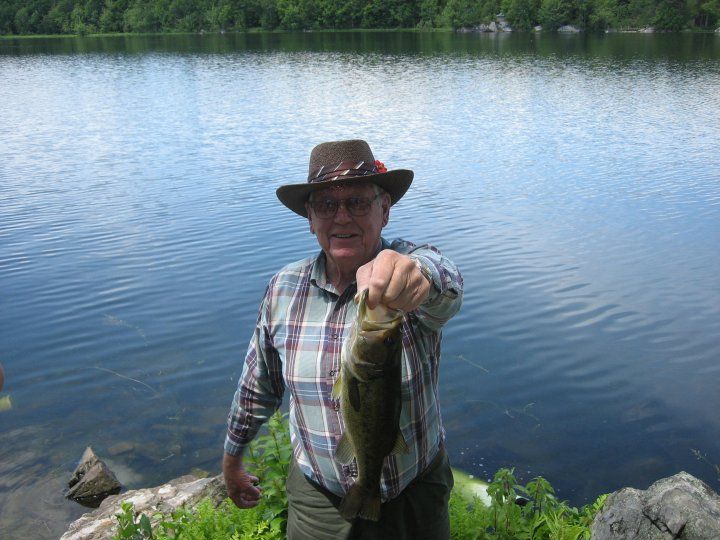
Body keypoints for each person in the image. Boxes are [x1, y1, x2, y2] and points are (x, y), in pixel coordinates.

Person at [223, 139, 463, 539]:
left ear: (384, 210)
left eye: (357, 202)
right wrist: (232, 458)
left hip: (414, 491)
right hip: (320, 499)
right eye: (326, 205)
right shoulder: (283, 289)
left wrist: (417, 277)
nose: (342, 217)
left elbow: (446, 283)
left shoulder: (407, 271)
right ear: (310, 219)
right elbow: (258, 386)